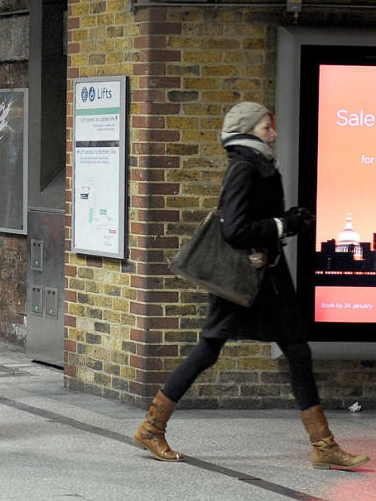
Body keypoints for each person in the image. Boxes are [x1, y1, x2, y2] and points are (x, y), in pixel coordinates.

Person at [133, 101, 369, 471]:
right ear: (246, 131)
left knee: (296, 351)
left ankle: (324, 446)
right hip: (245, 278)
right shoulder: (244, 166)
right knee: (209, 350)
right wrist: (281, 224)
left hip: (268, 278)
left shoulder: (258, 163)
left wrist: (287, 224)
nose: (273, 134)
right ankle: (151, 428)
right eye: (265, 128)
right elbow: (235, 229)